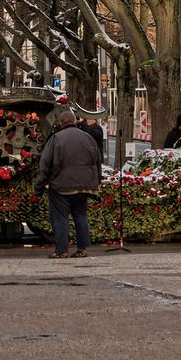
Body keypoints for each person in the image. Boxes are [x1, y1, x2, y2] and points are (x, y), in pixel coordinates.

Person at [34, 111, 102, 259]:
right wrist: (97, 181)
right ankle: (82, 249)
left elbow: (44, 165)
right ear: (75, 121)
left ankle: (61, 250)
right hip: (84, 185)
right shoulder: (88, 138)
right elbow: (97, 161)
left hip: (61, 186)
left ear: (61, 123)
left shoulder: (56, 139)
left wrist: (38, 187)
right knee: (81, 215)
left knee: (60, 218)